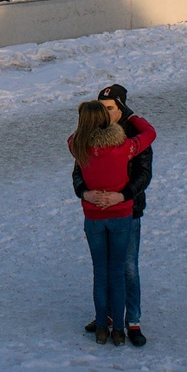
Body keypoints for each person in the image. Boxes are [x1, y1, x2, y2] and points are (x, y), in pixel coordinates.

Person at [69, 99, 156, 346]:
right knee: (118, 272)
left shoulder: (78, 146)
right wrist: (131, 117)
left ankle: (100, 327)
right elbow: (150, 133)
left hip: (93, 218)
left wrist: (85, 126)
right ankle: (119, 329)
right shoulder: (124, 147)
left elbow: (74, 139)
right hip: (120, 215)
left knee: (100, 272)